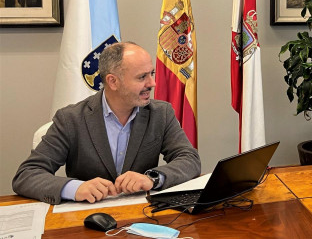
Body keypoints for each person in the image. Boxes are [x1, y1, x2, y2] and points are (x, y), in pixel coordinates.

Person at [12, 42, 201, 205]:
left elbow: (189, 159)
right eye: (142, 77)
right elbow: (27, 175)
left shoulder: (161, 113)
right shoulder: (71, 119)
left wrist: (152, 178)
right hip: (86, 219)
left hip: (140, 216)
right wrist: (74, 188)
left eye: (151, 73)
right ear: (113, 81)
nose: (152, 83)